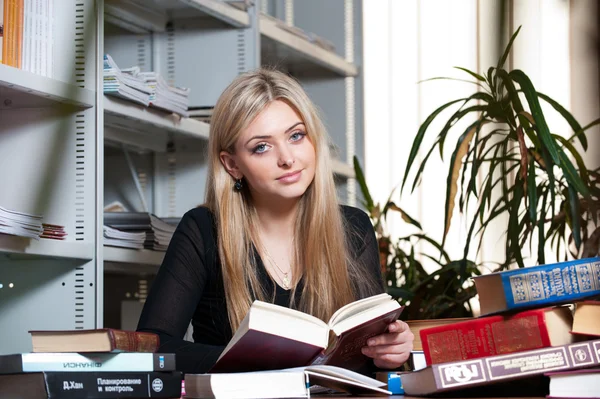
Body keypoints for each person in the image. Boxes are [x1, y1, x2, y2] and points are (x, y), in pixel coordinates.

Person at [136, 68, 414, 374]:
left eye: (296, 136)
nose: (287, 158)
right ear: (232, 165)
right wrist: (258, 363)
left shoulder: (354, 227)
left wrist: (391, 350)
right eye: (262, 147)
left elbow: (368, 349)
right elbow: (152, 345)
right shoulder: (203, 230)